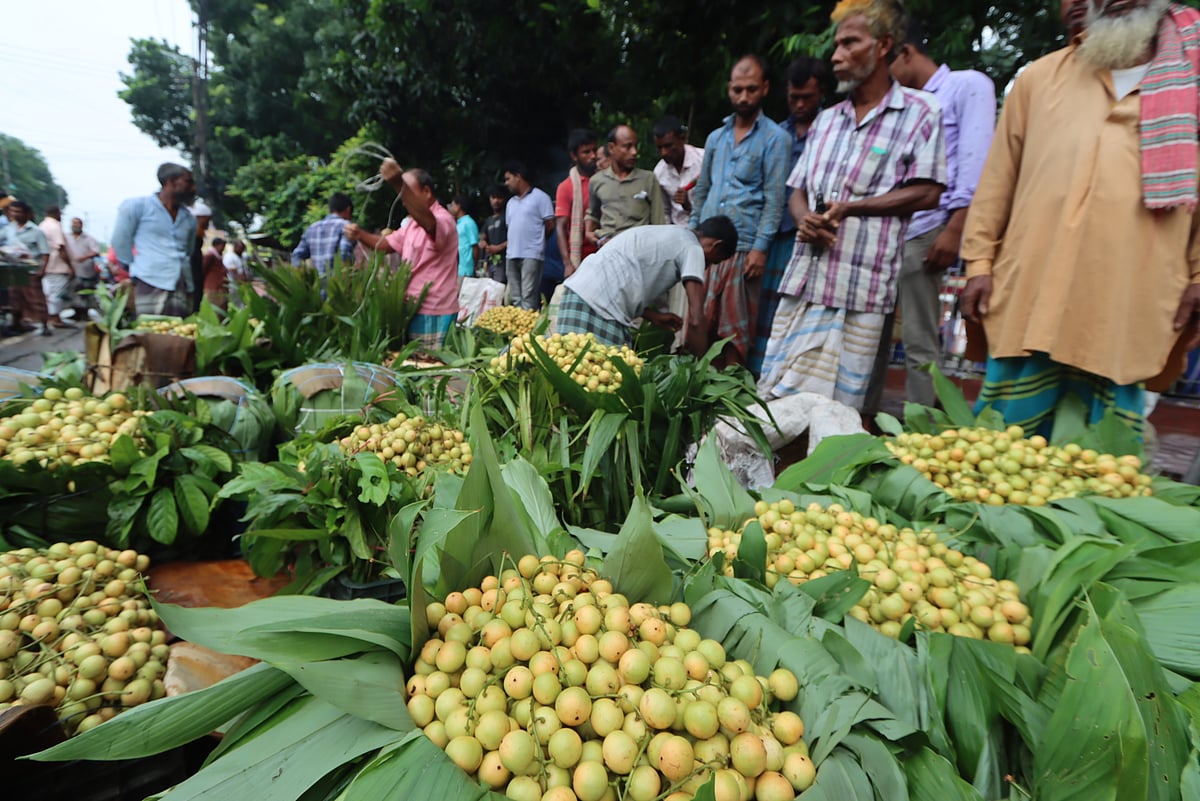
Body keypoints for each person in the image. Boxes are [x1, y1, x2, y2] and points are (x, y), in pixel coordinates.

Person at [960, 0, 1200, 436]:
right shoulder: (1038, 78)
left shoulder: (1193, 79)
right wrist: (978, 264)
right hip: (1030, 299)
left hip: (1127, 307)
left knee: (1101, 477)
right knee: (996, 463)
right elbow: (997, 184)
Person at [759, 0, 946, 411]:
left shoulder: (920, 112)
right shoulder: (827, 119)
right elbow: (797, 190)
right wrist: (804, 218)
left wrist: (852, 208)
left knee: (836, 411)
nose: (836, 55)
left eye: (849, 43)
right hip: (805, 281)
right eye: (837, 45)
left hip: (860, 289)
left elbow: (928, 192)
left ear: (882, 45)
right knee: (776, 399)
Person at [860, 19, 995, 410]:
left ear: (905, 53)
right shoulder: (907, 104)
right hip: (891, 233)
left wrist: (955, 228)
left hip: (930, 230)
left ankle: (920, 431)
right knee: (872, 338)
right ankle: (861, 421)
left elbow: (974, 159)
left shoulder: (966, 86)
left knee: (920, 339)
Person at [691, 55, 792, 370]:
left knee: (735, 328)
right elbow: (703, 189)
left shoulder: (776, 139)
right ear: (729, 90)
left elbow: (775, 198)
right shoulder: (715, 138)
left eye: (751, 89)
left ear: (764, 88)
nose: (744, 97)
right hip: (706, 246)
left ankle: (731, 395)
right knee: (700, 320)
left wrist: (760, 249)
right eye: (737, 90)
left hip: (744, 247)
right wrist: (692, 237)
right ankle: (697, 391)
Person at [749, 57, 832, 377]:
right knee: (766, 311)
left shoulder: (831, 131)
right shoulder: (775, 134)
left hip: (814, 238)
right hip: (775, 235)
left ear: (821, 92)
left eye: (806, 97)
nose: (799, 104)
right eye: (793, 97)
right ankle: (759, 375)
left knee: (802, 313)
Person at [557, 217, 739, 355]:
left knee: (575, 371)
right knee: (608, 380)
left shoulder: (672, 234)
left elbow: (624, 274)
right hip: (598, 307)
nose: (708, 267)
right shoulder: (693, 248)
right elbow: (696, 318)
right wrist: (702, 365)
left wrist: (653, 316)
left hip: (579, 294)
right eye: (715, 261)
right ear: (716, 246)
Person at [343, 161, 460, 350]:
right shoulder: (412, 224)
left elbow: (431, 226)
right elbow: (386, 244)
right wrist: (360, 234)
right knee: (415, 367)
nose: (403, 199)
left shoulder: (443, 219)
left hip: (434, 310)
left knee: (432, 370)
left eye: (408, 192)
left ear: (427, 192)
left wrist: (398, 183)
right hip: (412, 308)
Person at [110, 163, 198, 317]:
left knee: (179, 333)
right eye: (188, 182)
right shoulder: (137, 207)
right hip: (149, 281)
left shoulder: (189, 219)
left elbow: (189, 251)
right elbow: (120, 241)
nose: (193, 188)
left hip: (182, 284)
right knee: (149, 332)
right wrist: (135, 268)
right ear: (170, 181)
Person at [585, 125, 665, 246]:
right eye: (627, 147)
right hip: (608, 248)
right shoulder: (597, 181)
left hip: (640, 248)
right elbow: (592, 214)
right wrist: (589, 232)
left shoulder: (648, 179)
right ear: (612, 148)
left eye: (635, 146)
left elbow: (659, 223)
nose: (634, 152)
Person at [503, 162, 555, 310]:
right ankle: (519, 329)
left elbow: (550, 225)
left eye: (508, 179)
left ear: (518, 176)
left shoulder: (540, 197)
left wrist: (537, 242)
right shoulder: (510, 203)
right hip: (511, 254)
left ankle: (530, 331)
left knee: (528, 296)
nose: (506, 183)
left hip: (532, 254)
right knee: (515, 297)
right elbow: (511, 228)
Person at [0, 201, 51, 336]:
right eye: (13, 211)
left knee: (35, 298)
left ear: (26, 214)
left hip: (30, 268)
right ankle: (17, 323)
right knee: (15, 297)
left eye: (18, 211)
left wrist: (42, 269)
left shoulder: (36, 231)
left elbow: (45, 252)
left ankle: (44, 324)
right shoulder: (9, 229)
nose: (15, 214)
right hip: (15, 268)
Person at [555, 129, 600, 277]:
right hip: (580, 259)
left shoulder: (605, 181)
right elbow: (560, 228)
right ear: (574, 156)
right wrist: (567, 264)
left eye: (594, 150)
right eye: (586, 152)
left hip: (606, 252)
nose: (593, 156)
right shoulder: (566, 187)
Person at [653, 116, 705, 228]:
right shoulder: (659, 172)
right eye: (659, 148)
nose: (664, 153)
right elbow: (664, 212)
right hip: (678, 231)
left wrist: (689, 206)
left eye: (668, 146)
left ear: (682, 139)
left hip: (705, 229)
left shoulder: (703, 161)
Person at [291, 192, 356, 277]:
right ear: (348, 210)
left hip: (316, 287)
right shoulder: (346, 226)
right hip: (337, 286)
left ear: (329, 210)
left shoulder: (312, 228)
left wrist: (303, 278)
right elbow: (344, 253)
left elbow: (296, 255)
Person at [38, 206, 76, 328]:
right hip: (57, 266)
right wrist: (70, 266)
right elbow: (61, 248)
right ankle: (55, 317)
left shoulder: (41, 225)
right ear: (57, 213)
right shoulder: (55, 226)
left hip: (45, 266)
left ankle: (52, 316)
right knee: (57, 293)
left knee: (48, 292)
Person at [67, 217, 100, 320]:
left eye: (78, 224)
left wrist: (84, 257)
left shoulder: (89, 239)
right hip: (72, 269)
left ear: (81, 225)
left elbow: (95, 251)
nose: (75, 225)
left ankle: (85, 313)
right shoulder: (66, 237)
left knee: (86, 292)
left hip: (86, 271)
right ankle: (76, 312)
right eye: (74, 223)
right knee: (73, 292)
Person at [448, 194, 480, 290]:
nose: (451, 208)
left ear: (459, 206)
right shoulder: (459, 223)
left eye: (453, 205)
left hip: (466, 269)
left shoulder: (468, 223)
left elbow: (475, 246)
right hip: (458, 269)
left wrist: (474, 265)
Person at [480, 185, 509, 284]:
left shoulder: (507, 217)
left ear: (504, 199)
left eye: (499, 198)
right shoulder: (489, 220)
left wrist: (498, 248)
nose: (496, 201)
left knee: (498, 290)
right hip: (489, 263)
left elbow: (514, 238)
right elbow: (482, 236)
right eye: (493, 198)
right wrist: (482, 242)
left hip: (504, 262)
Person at [202, 237, 228, 309]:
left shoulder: (218, 257)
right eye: (222, 246)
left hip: (220, 288)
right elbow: (203, 269)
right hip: (212, 288)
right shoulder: (210, 256)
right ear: (217, 245)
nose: (223, 248)